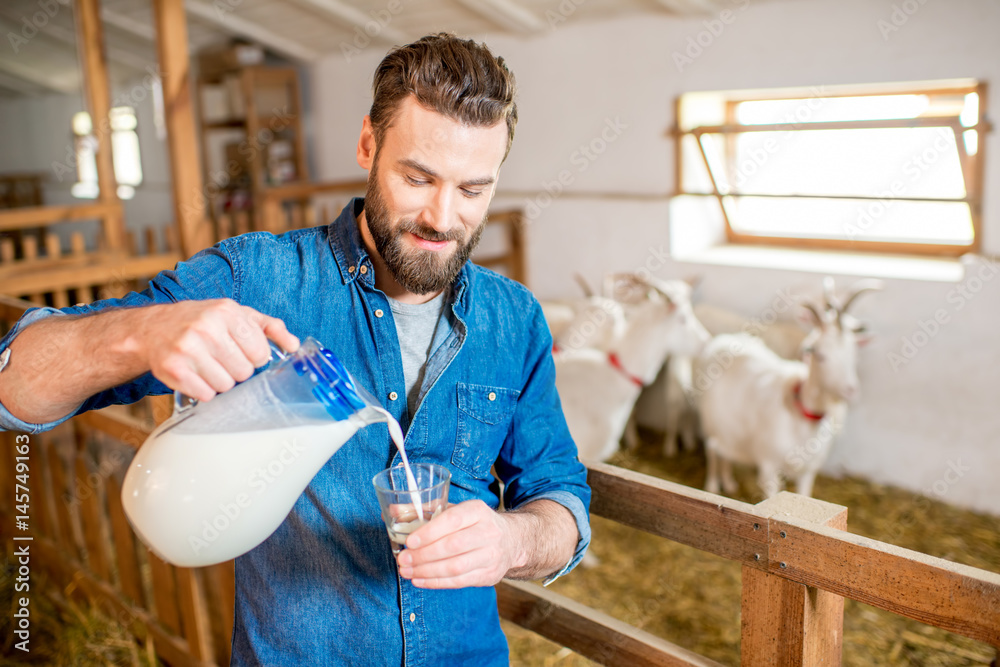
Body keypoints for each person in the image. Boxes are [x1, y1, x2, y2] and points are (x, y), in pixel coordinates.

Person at [0, 33, 591, 665]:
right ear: (368, 143)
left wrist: (512, 539)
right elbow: (15, 385)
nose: (443, 217)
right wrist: (141, 332)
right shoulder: (260, 279)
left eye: (473, 190)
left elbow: (561, 499)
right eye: (418, 178)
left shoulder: (514, 319)